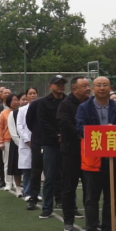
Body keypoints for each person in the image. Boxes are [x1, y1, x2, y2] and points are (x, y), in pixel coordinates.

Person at [76, 76, 116, 231]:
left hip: (113, 158)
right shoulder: (84, 107)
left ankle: (108, 230)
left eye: (105, 85)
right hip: (93, 159)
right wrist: (101, 130)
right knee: (91, 198)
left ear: (110, 88)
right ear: (93, 89)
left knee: (112, 197)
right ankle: (91, 230)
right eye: (98, 85)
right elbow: (80, 128)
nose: (102, 88)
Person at [24, 75, 66, 215]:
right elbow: (31, 122)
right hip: (41, 142)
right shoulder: (39, 103)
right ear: (50, 86)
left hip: (62, 143)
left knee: (60, 173)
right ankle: (33, 198)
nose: (60, 86)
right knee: (37, 172)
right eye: (57, 83)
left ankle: (59, 198)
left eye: (62, 83)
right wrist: (48, 135)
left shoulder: (67, 101)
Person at [57, 76, 90, 231]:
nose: (88, 89)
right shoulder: (65, 105)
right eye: (84, 86)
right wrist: (82, 134)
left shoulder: (92, 104)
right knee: (69, 188)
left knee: (90, 188)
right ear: (74, 89)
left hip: (90, 152)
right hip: (71, 152)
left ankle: (91, 221)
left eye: (88, 86)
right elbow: (65, 123)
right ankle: (68, 221)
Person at [15, 88, 38, 199]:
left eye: (34, 93)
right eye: (30, 94)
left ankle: (36, 192)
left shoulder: (40, 108)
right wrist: (27, 139)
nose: (32, 95)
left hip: (39, 142)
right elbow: (19, 126)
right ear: (27, 96)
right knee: (27, 169)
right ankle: (28, 192)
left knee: (37, 169)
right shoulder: (22, 110)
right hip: (26, 143)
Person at [0, 93, 15, 193]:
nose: (15, 102)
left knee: (18, 163)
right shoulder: (3, 113)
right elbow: (0, 128)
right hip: (7, 140)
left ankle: (17, 183)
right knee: (7, 162)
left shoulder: (20, 112)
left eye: (16, 100)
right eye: (13, 100)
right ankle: (8, 183)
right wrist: (1, 142)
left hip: (19, 141)